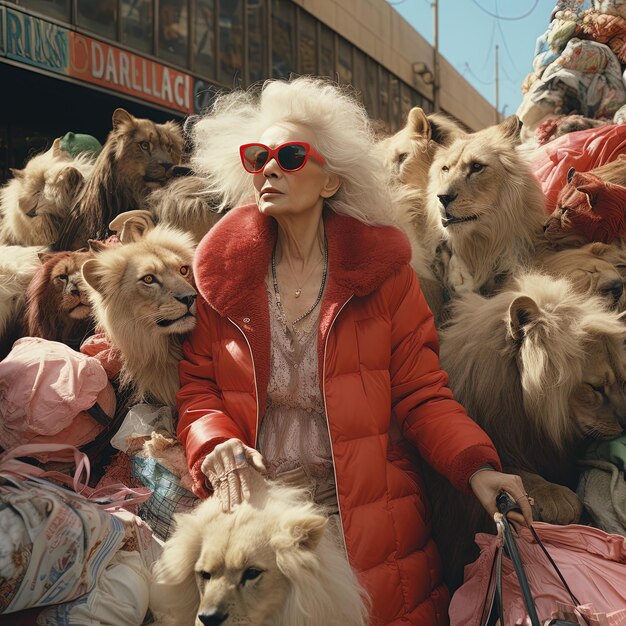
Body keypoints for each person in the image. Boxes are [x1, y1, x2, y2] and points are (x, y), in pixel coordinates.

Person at [176, 77, 532, 626]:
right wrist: (214, 442)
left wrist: (476, 466)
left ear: (331, 181)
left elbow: (422, 393)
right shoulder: (221, 276)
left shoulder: (386, 276)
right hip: (255, 529)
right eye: (258, 156)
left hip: (371, 525)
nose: (269, 168)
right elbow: (199, 389)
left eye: (291, 156)